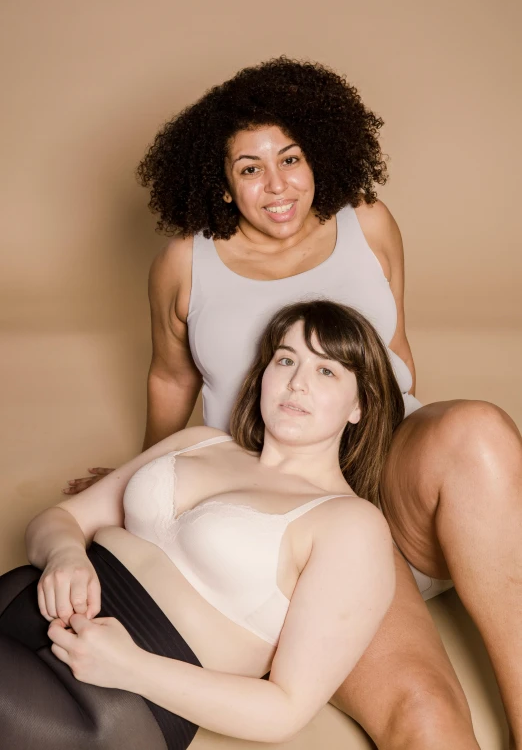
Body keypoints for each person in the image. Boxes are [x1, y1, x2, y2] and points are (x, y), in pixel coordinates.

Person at [66, 57, 522, 749]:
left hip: (390, 474)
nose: (276, 184)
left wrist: (395, 461)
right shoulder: (186, 264)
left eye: (291, 157)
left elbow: (393, 352)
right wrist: (139, 477)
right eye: (250, 168)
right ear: (221, 183)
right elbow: (169, 378)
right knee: (425, 714)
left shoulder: (368, 223)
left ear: (322, 155)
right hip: (291, 517)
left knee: (478, 430)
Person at [0, 300, 397, 749]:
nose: (297, 382)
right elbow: (60, 519)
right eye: (285, 359)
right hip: (23, 602)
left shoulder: (352, 526)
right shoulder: (200, 443)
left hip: (111, 698)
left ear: (359, 405)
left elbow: (285, 710)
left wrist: (130, 667)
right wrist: (65, 553)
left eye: (326, 371)